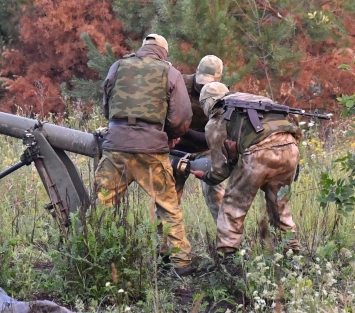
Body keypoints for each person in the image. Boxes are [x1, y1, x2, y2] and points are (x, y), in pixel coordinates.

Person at [95, 33, 194, 275]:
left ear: (143, 48)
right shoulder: (170, 72)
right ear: (163, 52)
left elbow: (107, 107)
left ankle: (99, 256)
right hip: (151, 149)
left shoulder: (117, 66)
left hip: (116, 145)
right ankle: (180, 262)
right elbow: (182, 118)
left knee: (103, 203)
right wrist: (169, 133)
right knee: (168, 205)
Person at [190, 83, 302, 261]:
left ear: (207, 103)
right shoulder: (252, 100)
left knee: (232, 205)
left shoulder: (217, 120)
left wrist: (207, 177)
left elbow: (220, 170)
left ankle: (227, 256)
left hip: (259, 152)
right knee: (279, 205)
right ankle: (292, 253)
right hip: (290, 147)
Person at [173, 55, 225, 223]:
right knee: (168, 195)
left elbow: (218, 134)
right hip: (176, 146)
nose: (202, 86)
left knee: (214, 191)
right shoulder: (178, 85)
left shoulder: (222, 94)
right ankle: (164, 242)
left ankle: (229, 240)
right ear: (196, 72)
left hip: (205, 148)